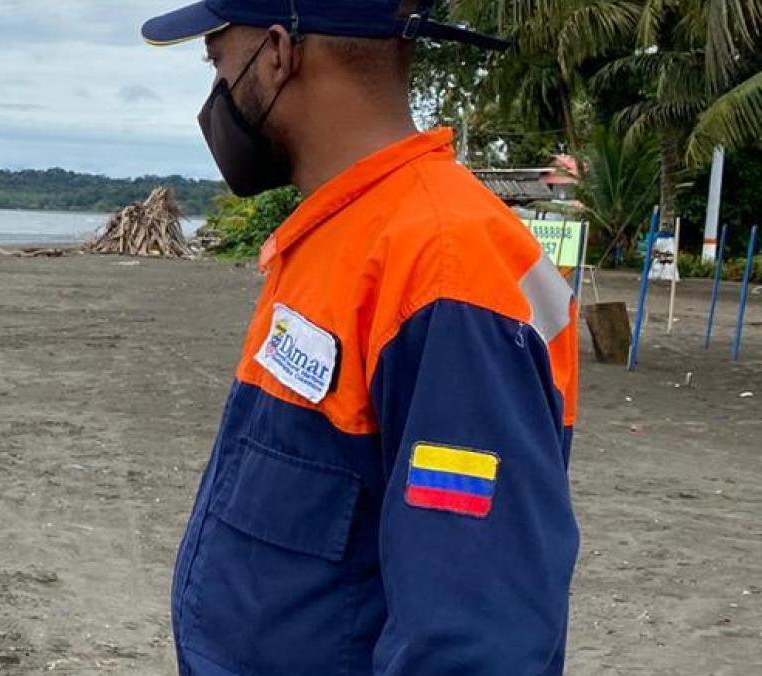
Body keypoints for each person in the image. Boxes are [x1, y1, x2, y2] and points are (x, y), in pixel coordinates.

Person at [140, 1, 579, 674]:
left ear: (280, 53)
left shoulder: (446, 268)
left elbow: (475, 634)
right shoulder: (343, 231)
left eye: (217, 59)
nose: (217, 89)